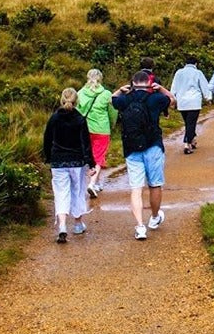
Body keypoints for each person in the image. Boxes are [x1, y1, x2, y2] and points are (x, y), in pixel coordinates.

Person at [112, 71, 174, 241]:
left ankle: (140, 227)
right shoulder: (156, 98)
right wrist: (161, 88)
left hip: (131, 147)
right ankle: (154, 217)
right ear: (149, 82)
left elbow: (112, 99)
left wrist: (120, 90)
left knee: (136, 188)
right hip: (153, 145)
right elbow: (173, 100)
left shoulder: (125, 99)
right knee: (155, 185)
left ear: (132, 82)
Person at [43, 88, 96, 244]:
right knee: (77, 191)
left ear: (61, 100)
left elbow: (47, 140)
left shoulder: (54, 118)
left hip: (58, 161)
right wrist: (91, 162)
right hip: (77, 162)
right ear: (76, 101)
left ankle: (62, 226)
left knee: (61, 192)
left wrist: (48, 157)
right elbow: (86, 143)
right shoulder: (80, 119)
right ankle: (78, 224)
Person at [77, 68, 117, 198]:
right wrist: (112, 124)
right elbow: (113, 112)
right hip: (101, 129)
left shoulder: (80, 93)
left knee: (88, 155)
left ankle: (96, 182)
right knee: (98, 157)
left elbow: (76, 112)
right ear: (101, 78)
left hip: (84, 129)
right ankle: (92, 183)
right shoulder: (106, 94)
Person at [171, 56, 211, 154]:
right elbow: (204, 86)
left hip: (182, 102)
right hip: (194, 102)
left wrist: (172, 98)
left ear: (185, 63)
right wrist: (208, 98)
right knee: (191, 123)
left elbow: (174, 87)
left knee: (188, 123)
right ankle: (187, 143)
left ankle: (192, 140)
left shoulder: (178, 73)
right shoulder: (198, 73)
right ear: (196, 64)